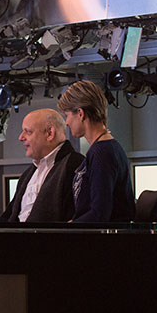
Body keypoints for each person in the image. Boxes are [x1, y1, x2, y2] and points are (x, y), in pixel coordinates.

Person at [56, 79, 136, 222]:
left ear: (80, 113)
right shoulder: (104, 148)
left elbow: (99, 214)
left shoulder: (102, 152)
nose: (66, 123)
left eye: (67, 115)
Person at [0, 109, 84, 223]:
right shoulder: (27, 174)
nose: (21, 137)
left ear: (49, 134)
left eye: (28, 131)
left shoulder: (76, 165)